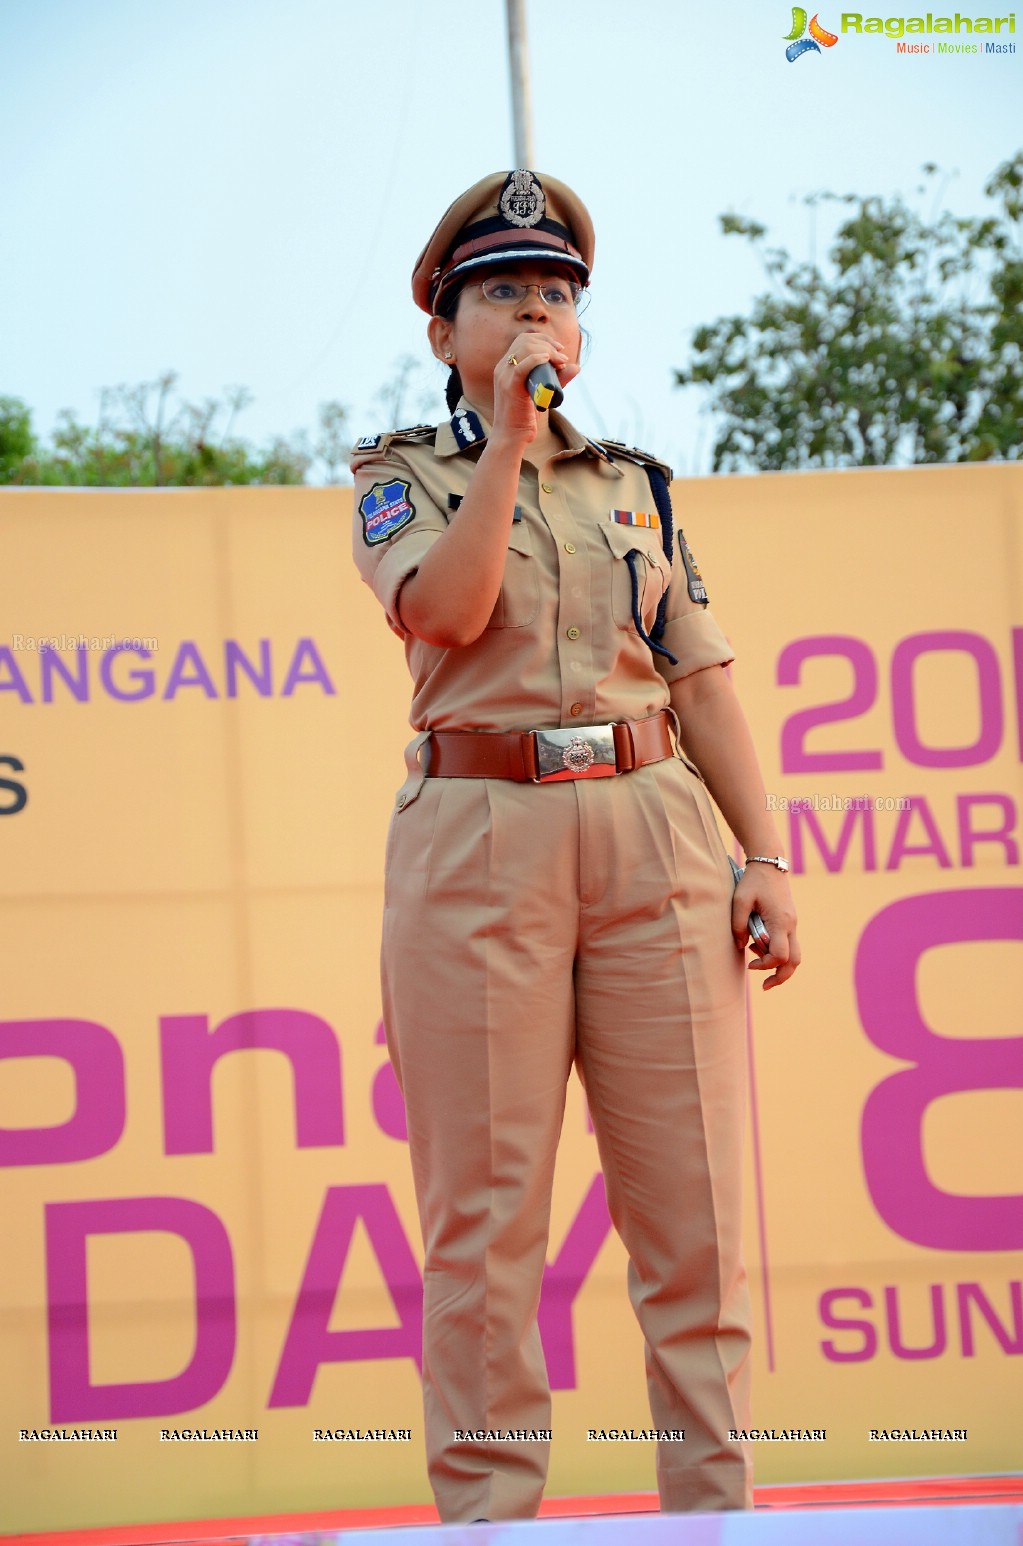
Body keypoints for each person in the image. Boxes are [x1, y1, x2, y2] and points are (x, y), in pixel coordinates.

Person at [351, 169, 800, 1525]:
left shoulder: (637, 488)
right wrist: (502, 441)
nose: (536, 311)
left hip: (658, 833)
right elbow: (447, 607)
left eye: (556, 295)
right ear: (447, 333)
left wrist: (768, 856)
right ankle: (491, 1512)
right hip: (479, 840)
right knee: (484, 1229)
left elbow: (704, 679)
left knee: (698, 1217)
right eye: (504, 295)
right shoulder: (398, 474)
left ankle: (711, 1509)